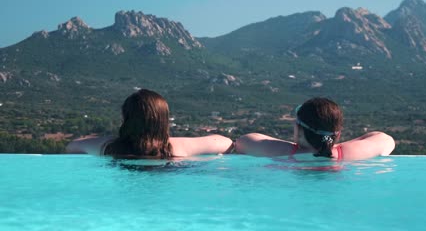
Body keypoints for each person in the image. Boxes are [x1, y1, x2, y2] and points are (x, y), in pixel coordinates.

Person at [66, 89, 234, 158]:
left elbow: (72, 146)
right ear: (163, 120)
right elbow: (226, 143)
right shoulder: (177, 147)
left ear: (126, 118)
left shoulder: (108, 147)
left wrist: (110, 138)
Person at [235, 97, 395, 160]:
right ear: (337, 134)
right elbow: (384, 138)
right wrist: (336, 145)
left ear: (298, 129)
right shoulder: (349, 154)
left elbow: (241, 142)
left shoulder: (281, 151)